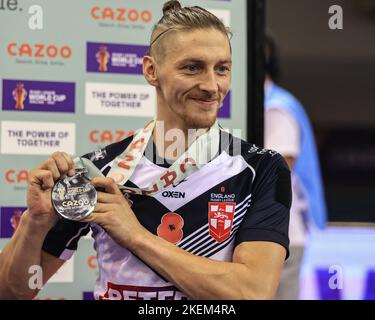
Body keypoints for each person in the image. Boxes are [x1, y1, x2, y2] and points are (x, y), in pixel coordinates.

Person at [0, 1, 291, 300]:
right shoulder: (97, 171)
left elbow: (252, 293)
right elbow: (12, 292)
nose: (211, 85)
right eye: (192, 68)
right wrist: (34, 223)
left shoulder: (261, 169)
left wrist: (135, 235)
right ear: (151, 71)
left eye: (222, 69)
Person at [264, 34, 327, 300]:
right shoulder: (268, 103)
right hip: (273, 234)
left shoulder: (277, 108)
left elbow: (278, 169)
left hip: (282, 235)